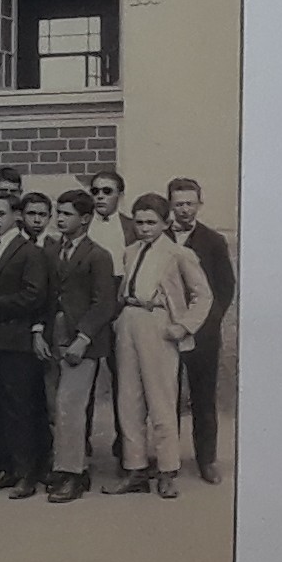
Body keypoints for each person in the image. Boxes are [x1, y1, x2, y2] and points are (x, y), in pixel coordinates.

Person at [109, 193, 217, 498]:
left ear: (165, 222)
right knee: (128, 399)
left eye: (151, 222)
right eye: (139, 222)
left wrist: (184, 326)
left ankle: (167, 470)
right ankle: (135, 468)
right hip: (129, 320)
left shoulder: (178, 253)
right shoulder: (130, 251)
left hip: (158, 323)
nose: (144, 228)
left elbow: (203, 295)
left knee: (161, 400)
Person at [0, 191, 53, 493]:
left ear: (17, 216)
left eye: (1, 214)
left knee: (19, 407)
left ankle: (27, 471)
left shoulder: (29, 252)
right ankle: (5, 467)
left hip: (15, 340)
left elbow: (34, 295)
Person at [40, 192, 121, 501]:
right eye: (58, 213)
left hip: (82, 342)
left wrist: (83, 338)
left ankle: (72, 474)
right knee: (55, 405)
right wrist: (39, 331)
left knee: (70, 405)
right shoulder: (51, 252)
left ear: (85, 219)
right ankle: (68, 467)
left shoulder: (98, 256)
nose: (59, 219)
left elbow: (104, 303)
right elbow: (46, 295)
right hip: (54, 336)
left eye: (67, 214)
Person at [166, 178, 235, 484]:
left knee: (203, 397)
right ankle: (167, 461)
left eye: (190, 204)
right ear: (170, 205)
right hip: (166, 330)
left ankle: (207, 460)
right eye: (179, 204)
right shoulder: (159, 237)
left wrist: (207, 322)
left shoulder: (213, 241)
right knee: (166, 396)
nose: (184, 210)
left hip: (202, 334)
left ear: (199, 204)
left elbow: (225, 287)